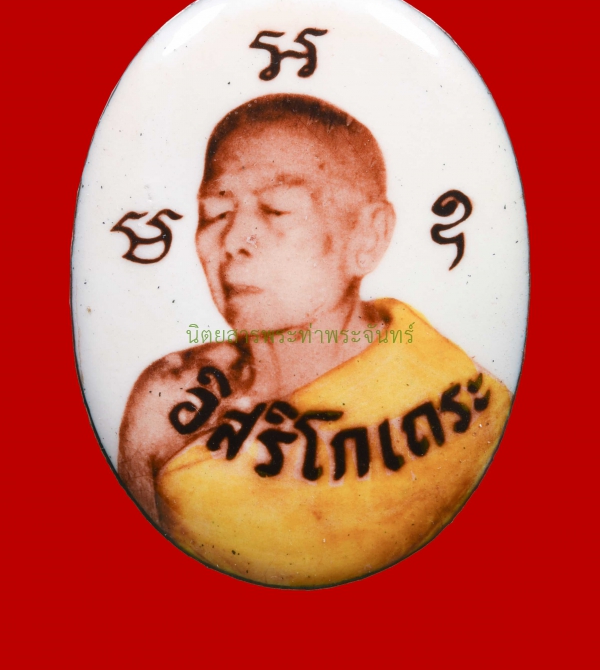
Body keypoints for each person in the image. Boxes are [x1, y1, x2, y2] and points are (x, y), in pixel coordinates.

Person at [119, 93, 511, 588]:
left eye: (276, 210)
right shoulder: (165, 403)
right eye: (215, 212)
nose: (233, 239)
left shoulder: (465, 407)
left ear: (368, 237)